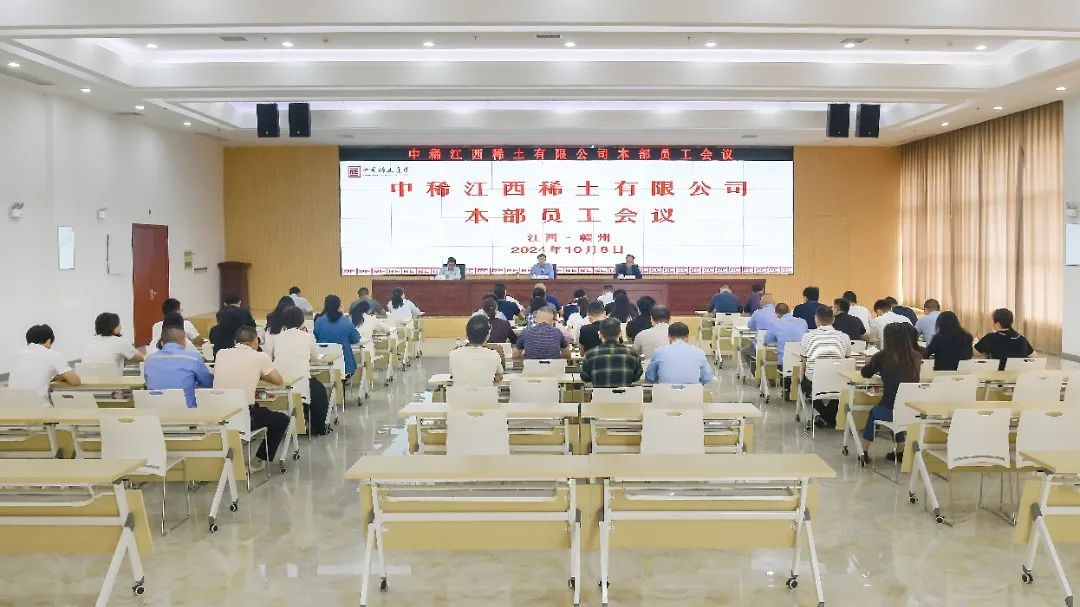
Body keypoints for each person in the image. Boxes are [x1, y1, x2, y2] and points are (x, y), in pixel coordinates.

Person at [213, 326, 291, 463]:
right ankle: (259, 461)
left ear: (235, 341)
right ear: (256, 341)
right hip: (244, 417)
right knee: (281, 419)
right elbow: (279, 381)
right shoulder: (260, 357)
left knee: (260, 410)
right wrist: (259, 374)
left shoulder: (221, 353)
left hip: (218, 416)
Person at [858, 322, 922, 464]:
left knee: (875, 413)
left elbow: (865, 373)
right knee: (897, 411)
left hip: (890, 409)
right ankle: (899, 450)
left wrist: (870, 361)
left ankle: (864, 450)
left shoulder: (882, 356)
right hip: (912, 410)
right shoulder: (916, 357)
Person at [272, 306, 329, 434]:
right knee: (319, 392)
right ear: (301, 320)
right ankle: (318, 427)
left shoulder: (278, 337)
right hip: (300, 381)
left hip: (280, 381)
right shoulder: (307, 336)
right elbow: (316, 359)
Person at [800, 307, 851, 428]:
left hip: (814, 381)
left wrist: (802, 378)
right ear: (833, 320)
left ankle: (826, 417)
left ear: (816, 320)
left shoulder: (808, 336)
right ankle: (829, 418)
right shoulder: (844, 337)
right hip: (839, 381)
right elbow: (847, 360)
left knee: (805, 386)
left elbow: (804, 362)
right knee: (840, 391)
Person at [8, 324, 81, 405]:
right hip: (39, 409)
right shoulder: (53, 355)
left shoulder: (16, 354)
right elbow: (75, 381)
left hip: (12, 406)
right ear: (49, 340)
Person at [144, 325, 214, 407]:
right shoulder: (193, 357)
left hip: (155, 410)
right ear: (184, 342)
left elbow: (148, 381)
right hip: (186, 411)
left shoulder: (150, 359)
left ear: (162, 343)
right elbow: (207, 382)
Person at [580, 318, 643, 388]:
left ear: (599, 334)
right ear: (620, 334)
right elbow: (636, 377)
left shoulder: (590, 355)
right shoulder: (632, 354)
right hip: (625, 394)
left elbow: (585, 377)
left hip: (599, 394)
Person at [646, 322, 715, 385]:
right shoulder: (699, 352)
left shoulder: (659, 352)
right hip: (692, 393)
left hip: (665, 393)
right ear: (687, 337)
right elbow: (707, 378)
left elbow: (650, 377)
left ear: (669, 337)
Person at [449, 315, 504, 387]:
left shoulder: (453, 354)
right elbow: (499, 376)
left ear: (466, 335)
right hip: (486, 394)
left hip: (459, 394)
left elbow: (453, 374)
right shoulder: (494, 355)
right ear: (487, 336)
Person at [313, 295, 361, 377]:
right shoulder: (346, 322)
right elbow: (355, 339)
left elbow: (316, 338)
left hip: (323, 364)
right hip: (345, 365)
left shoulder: (318, 321)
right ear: (339, 306)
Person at [764, 303, 808, 383]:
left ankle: (783, 385)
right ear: (789, 311)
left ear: (776, 313)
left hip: (784, 364)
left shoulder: (775, 323)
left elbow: (767, 340)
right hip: (803, 362)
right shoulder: (803, 322)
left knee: (777, 357)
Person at [740, 294, 776, 373]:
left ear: (761, 303)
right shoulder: (779, 313)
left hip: (761, 346)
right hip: (777, 348)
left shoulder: (758, 313)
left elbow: (750, 326)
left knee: (744, 351)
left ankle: (756, 373)